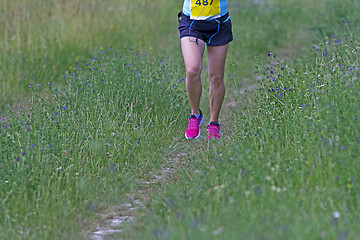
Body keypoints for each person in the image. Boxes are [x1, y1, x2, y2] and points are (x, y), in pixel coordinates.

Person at [178, 0, 233, 140]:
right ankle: (195, 115)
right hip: (191, 22)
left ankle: (214, 123)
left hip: (219, 23)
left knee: (216, 77)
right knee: (192, 70)